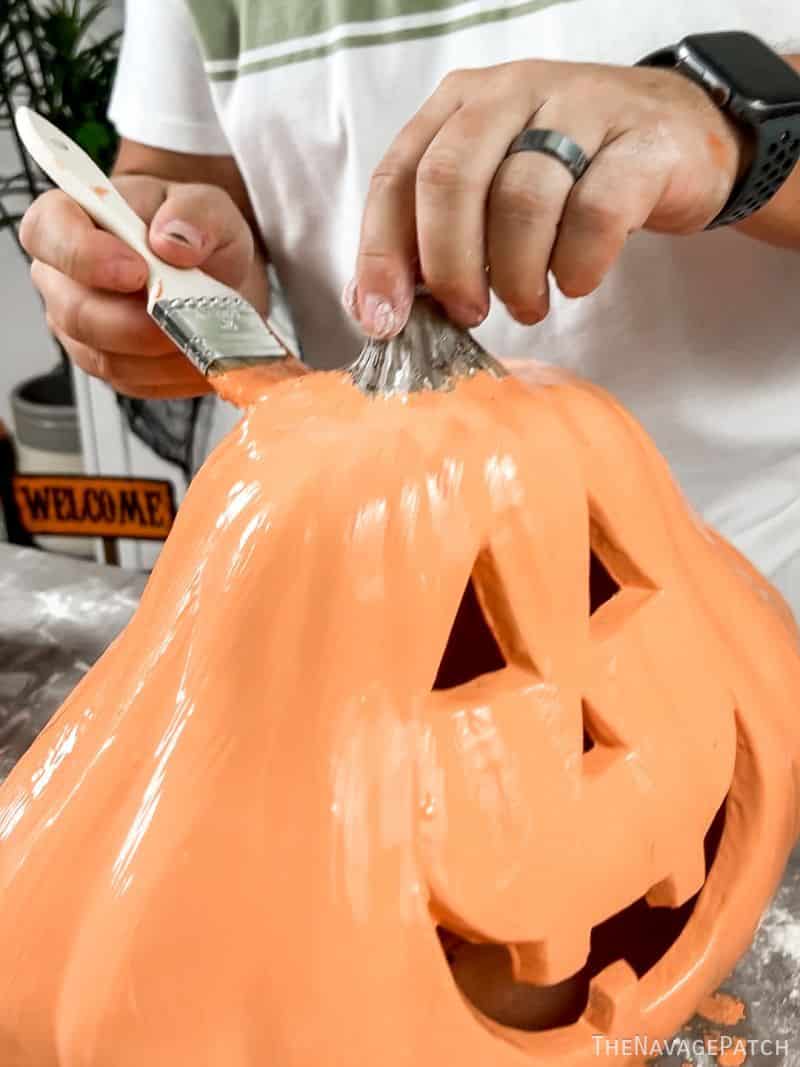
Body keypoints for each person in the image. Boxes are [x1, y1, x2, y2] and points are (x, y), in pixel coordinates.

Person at [19, 0, 800, 614]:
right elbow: (179, 173)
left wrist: (728, 123)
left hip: (762, 580)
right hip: (382, 602)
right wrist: (172, 247)